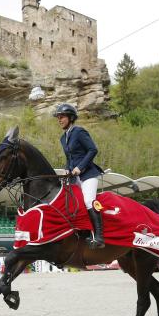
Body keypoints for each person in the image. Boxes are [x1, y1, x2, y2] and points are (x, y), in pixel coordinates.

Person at [55, 103, 105, 248]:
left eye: (62, 116)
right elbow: (69, 158)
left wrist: (80, 167)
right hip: (73, 176)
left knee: (89, 201)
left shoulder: (79, 131)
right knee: (69, 202)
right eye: (58, 117)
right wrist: (66, 169)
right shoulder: (63, 138)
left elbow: (92, 150)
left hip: (88, 174)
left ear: (71, 117)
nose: (59, 120)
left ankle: (99, 238)